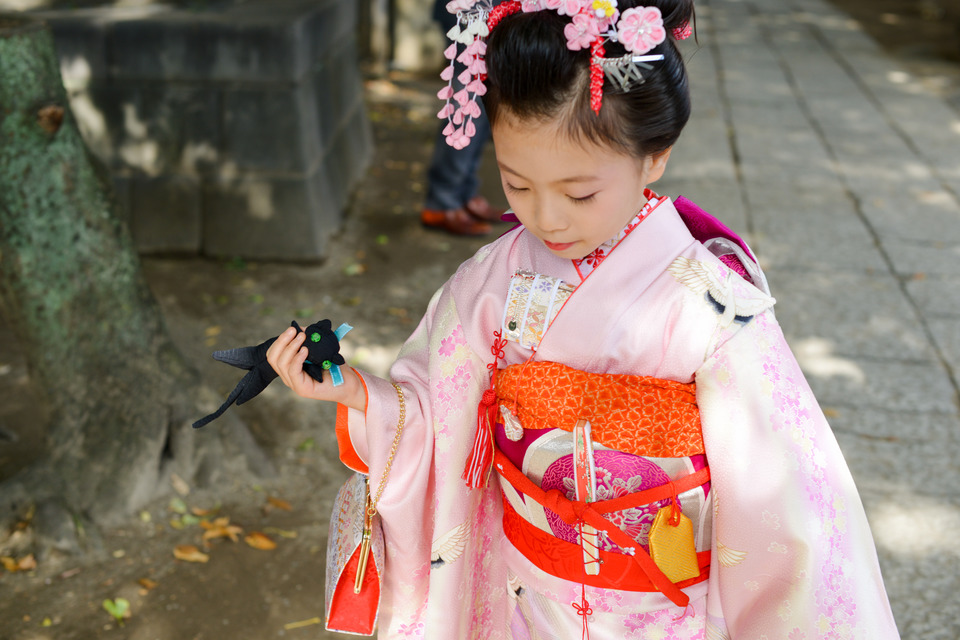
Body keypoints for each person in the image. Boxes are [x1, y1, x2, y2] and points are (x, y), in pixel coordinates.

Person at [267, 1, 900, 637]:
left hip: (662, 609)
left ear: (654, 156)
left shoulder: (707, 302)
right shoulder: (492, 282)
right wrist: (357, 393)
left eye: (579, 193)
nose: (548, 218)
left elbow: (781, 501)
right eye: (517, 185)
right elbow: (437, 410)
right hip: (528, 597)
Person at [419, 0, 505, 236]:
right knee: (467, 101)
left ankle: (465, 194)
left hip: (492, 9)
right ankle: (442, 202)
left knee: (484, 102)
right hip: (469, 8)